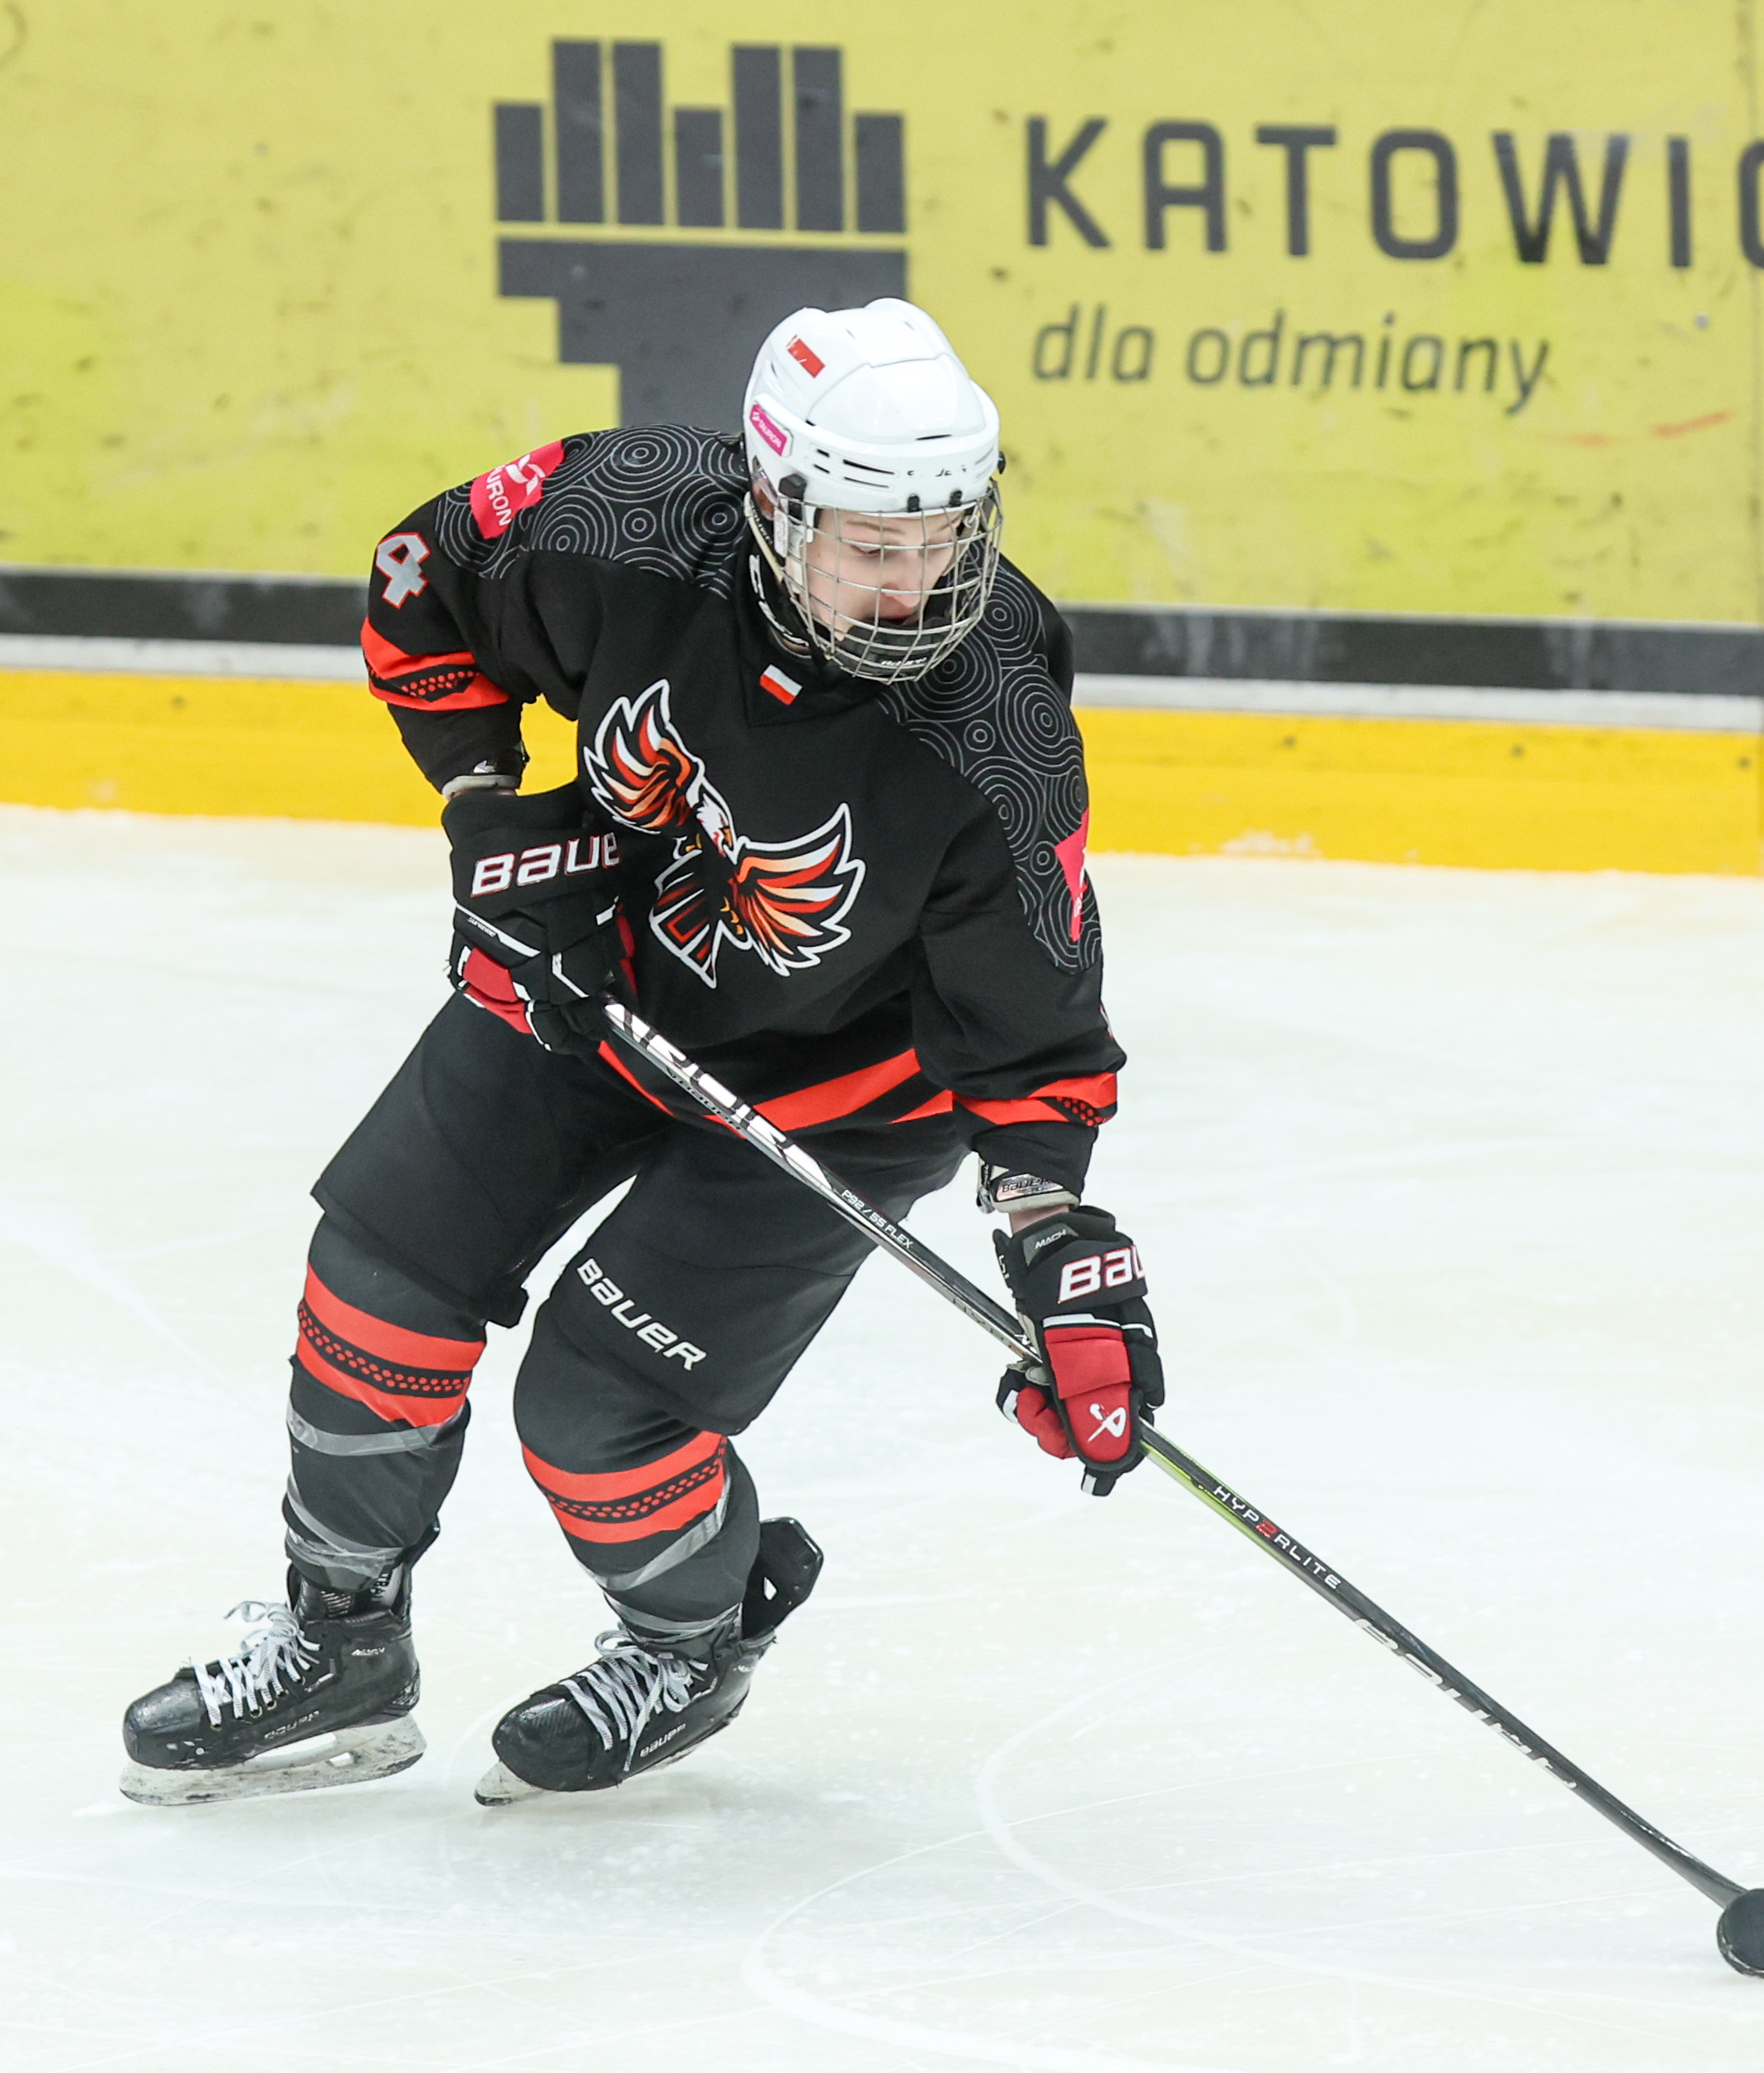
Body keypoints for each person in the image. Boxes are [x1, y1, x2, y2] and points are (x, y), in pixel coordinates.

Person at [117, 299, 1162, 1806]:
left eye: (943, 540)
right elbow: (420, 583)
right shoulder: (623, 522)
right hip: (592, 976)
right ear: (774, 506)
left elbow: (1036, 1030)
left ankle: (690, 1641)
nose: (916, 583)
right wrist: (490, 816)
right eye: (871, 545)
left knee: (598, 1413)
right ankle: (341, 1640)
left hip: (840, 1094)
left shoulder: (995, 726)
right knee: (378, 1281)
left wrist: (1058, 1243)